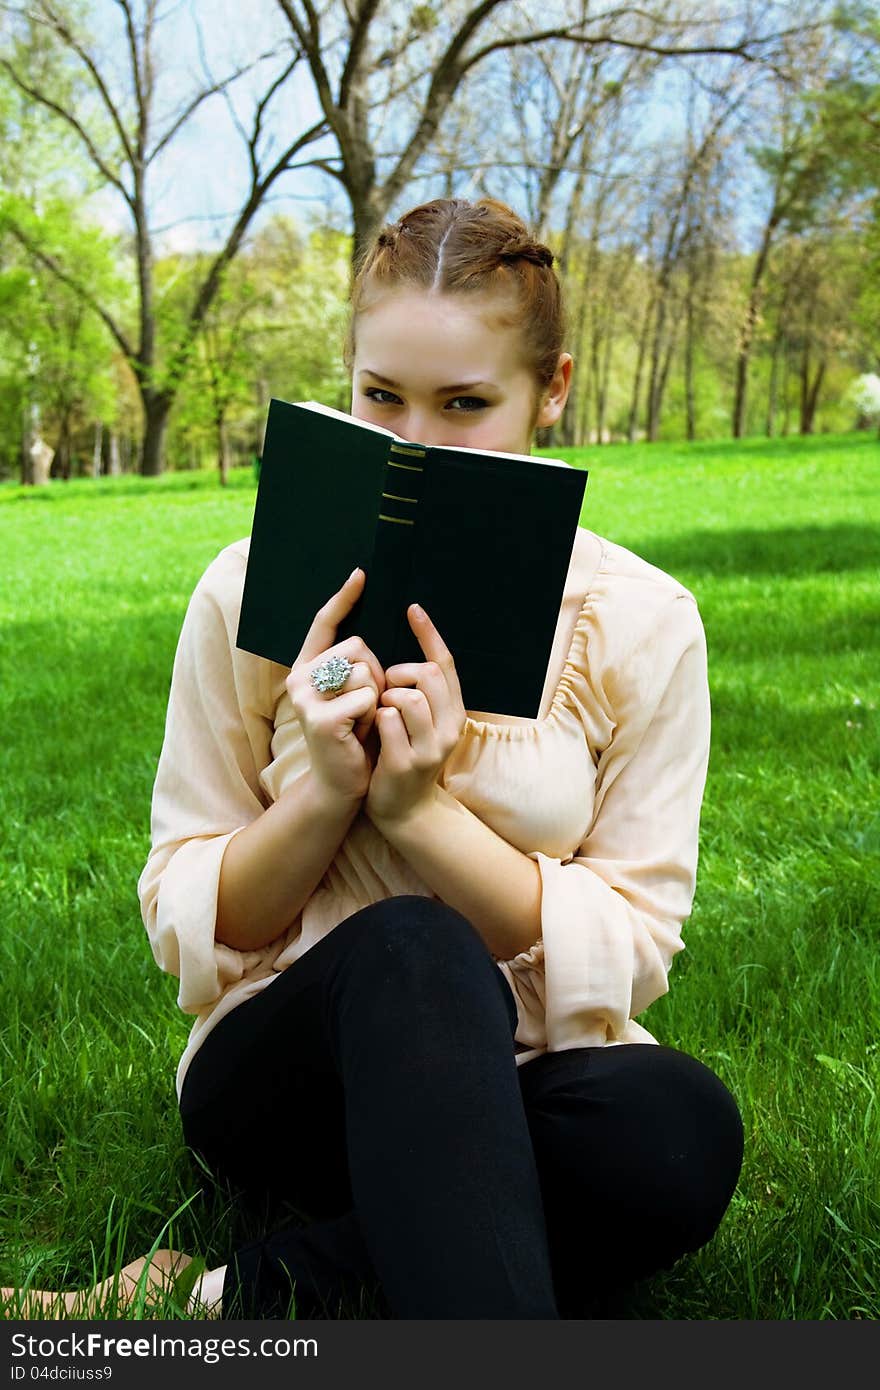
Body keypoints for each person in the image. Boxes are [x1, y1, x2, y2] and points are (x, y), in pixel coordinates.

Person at [9, 196, 743, 1321]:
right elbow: (187, 918)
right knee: (410, 945)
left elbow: (635, 951)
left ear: (550, 390)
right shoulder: (242, 588)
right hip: (287, 1075)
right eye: (380, 397)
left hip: (525, 1074)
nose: (414, 443)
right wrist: (328, 793)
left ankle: (216, 1290)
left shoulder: (645, 621)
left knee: (679, 1128)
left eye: (464, 405)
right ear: (345, 379)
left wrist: (418, 815)